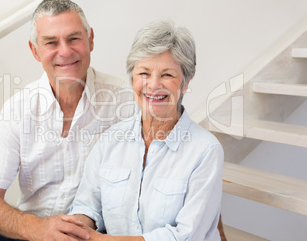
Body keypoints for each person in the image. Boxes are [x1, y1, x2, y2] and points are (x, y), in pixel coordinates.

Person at [0, 0, 134, 240]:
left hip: (98, 234)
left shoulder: (129, 101)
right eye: (51, 42)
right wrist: (35, 228)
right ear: (35, 50)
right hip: (32, 233)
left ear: (90, 39)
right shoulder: (17, 110)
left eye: (74, 38)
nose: (65, 51)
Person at [69, 19, 224, 240]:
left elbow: (186, 236)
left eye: (167, 75)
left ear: (185, 84)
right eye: (144, 73)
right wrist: (78, 228)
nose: (153, 85)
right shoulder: (111, 140)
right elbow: (87, 205)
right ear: (132, 79)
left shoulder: (206, 150)